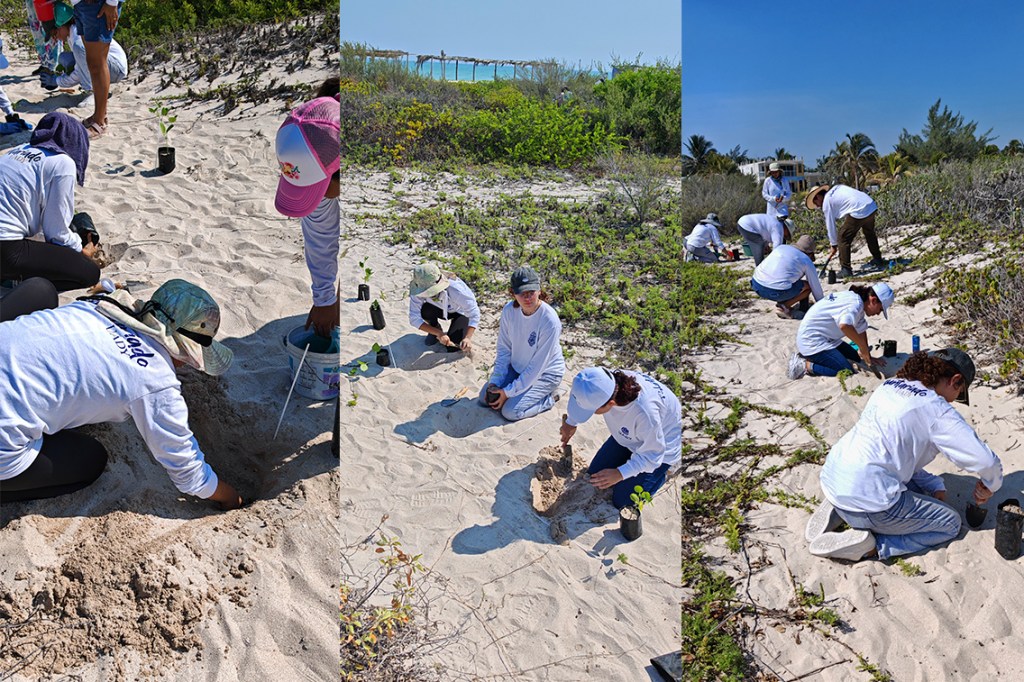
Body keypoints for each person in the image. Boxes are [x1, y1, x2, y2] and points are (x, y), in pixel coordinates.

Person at [0, 279, 243, 509]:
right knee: (91, 461)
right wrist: (231, 497)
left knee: (40, 289)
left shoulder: (100, 305)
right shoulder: (156, 381)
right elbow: (188, 473)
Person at [807, 349, 1003, 561]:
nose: (954, 401)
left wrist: (934, 484)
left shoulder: (890, 385)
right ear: (955, 380)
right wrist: (991, 485)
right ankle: (873, 546)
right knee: (950, 524)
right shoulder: (937, 410)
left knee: (885, 471)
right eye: (960, 393)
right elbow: (986, 462)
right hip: (869, 501)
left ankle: (837, 508)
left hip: (834, 477)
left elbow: (897, 455)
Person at [0, 112, 102, 292]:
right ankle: (13, 281)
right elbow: (56, 233)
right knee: (90, 273)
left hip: (6, 238)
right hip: (6, 249)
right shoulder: (63, 162)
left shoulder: (18, 150)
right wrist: (81, 251)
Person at [560, 367, 682, 510]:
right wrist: (571, 422)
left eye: (591, 410)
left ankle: (665, 472)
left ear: (610, 404)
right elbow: (582, 397)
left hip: (661, 450)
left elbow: (652, 456)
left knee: (622, 501)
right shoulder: (602, 381)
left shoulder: (645, 413)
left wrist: (620, 473)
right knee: (594, 476)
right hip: (628, 436)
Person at [274, 95, 341, 338]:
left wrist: (337, 300)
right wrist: (325, 300)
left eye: (316, 188)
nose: (315, 199)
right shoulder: (311, 146)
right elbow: (321, 238)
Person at [480, 266, 565, 421]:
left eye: (531, 292)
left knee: (510, 412)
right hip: (518, 367)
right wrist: (495, 383)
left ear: (539, 290)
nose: (527, 298)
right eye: (521, 293)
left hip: (545, 373)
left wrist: (507, 393)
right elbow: (504, 350)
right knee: (484, 399)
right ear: (513, 293)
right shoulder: (509, 311)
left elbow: (537, 367)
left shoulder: (549, 321)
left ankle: (551, 397)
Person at [787, 283, 894, 380]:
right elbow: (844, 326)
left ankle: (816, 358)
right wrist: (862, 347)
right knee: (845, 370)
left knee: (856, 357)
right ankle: (804, 365)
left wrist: (867, 355)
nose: (878, 313)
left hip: (828, 338)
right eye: (880, 309)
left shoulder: (859, 302)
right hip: (811, 341)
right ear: (873, 300)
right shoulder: (855, 304)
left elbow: (861, 329)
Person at [43, 2, 128, 94]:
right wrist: (60, 75)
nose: (55, 38)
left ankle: (92, 90)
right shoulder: (72, 34)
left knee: (78, 48)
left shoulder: (77, 36)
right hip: (109, 64)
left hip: (117, 68)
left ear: (62, 25)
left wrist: (57, 81)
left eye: (55, 34)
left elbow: (79, 72)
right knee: (64, 58)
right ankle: (94, 87)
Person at [805, 184, 886, 279]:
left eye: (815, 202)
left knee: (842, 238)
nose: (817, 206)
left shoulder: (827, 201)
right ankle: (878, 259)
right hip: (870, 205)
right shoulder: (836, 189)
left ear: (818, 197)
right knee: (869, 233)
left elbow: (830, 225)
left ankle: (846, 269)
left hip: (859, 209)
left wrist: (833, 244)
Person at [69, 0, 124, 138]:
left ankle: (100, 121)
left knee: (97, 63)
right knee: (92, 61)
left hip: (97, 5)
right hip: (82, 5)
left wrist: (112, 3)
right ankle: (99, 115)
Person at [408, 262, 480, 352]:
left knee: (453, 347)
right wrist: (438, 333)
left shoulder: (456, 290)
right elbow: (414, 318)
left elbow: (474, 313)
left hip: (459, 313)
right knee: (425, 310)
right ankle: (435, 327)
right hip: (438, 309)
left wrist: (468, 338)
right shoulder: (418, 288)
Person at [751, 235, 823, 319]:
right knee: (808, 287)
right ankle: (784, 306)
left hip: (756, 284)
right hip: (775, 291)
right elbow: (815, 287)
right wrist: (822, 304)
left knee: (786, 281)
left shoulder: (781, 247)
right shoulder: (805, 259)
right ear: (810, 253)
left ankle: (783, 301)